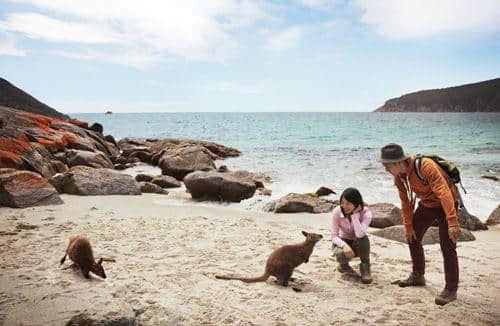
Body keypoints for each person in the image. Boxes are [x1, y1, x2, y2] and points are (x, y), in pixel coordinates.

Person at [379, 143, 462, 306]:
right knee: (412, 236)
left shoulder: (425, 166)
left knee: (448, 246)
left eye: (386, 165)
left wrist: (452, 222)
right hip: (428, 205)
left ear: (397, 163)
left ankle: (451, 289)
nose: (385, 169)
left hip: (447, 203)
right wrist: (408, 226)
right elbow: (405, 202)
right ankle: (418, 275)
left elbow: (444, 192)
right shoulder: (399, 177)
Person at [331, 187, 373, 284]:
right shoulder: (337, 211)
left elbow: (359, 234)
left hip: (359, 245)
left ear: (356, 203)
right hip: (343, 241)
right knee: (341, 255)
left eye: (348, 203)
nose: (344, 206)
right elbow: (334, 236)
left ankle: (365, 267)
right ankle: (343, 265)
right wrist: (344, 246)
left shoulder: (366, 213)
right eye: (342, 203)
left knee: (363, 238)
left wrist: (354, 215)